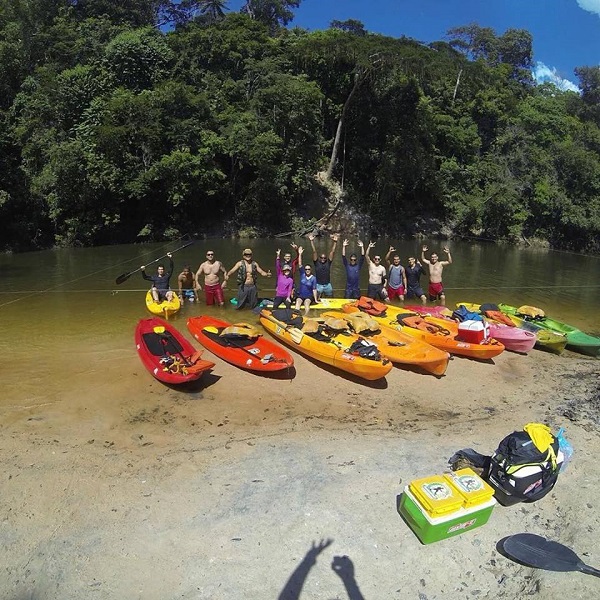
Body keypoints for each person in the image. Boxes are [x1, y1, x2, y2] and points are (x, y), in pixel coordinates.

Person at [309, 232, 339, 300]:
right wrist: (311, 241)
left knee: (331, 298)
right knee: (316, 298)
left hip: (327, 284)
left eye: (324, 258)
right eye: (321, 258)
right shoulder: (316, 263)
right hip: (318, 285)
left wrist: (335, 242)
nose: (323, 259)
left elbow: (332, 252)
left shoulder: (328, 262)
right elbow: (314, 251)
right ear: (319, 258)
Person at [295, 246, 318, 314]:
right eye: (306, 269)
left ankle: (306, 316)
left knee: (306, 303)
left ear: (311, 270)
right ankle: (296, 315)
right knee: (298, 302)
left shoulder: (313, 278)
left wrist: (316, 299)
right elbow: (300, 264)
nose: (307, 270)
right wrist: (300, 254)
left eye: (308, 269)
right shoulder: (302, 274)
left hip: (309, 296)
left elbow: (314, 289)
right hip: (301, 295)